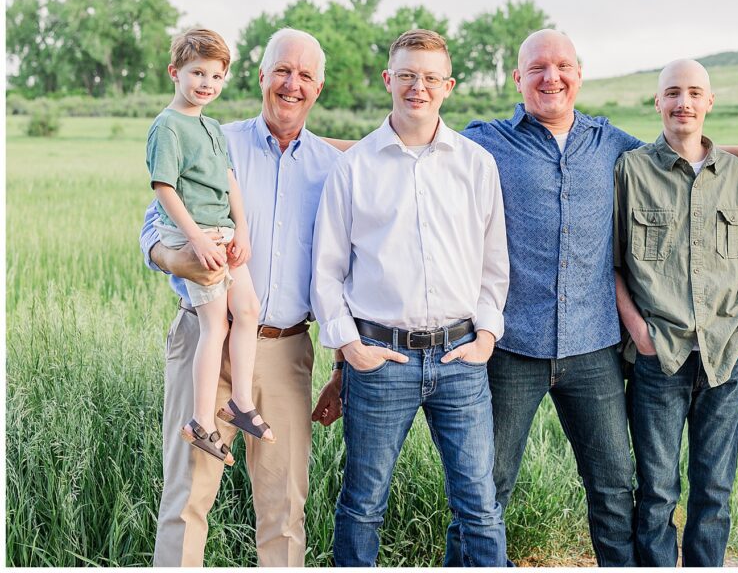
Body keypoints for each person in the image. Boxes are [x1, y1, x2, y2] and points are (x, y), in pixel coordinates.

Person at [141, 28, 349, 566]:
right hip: (207, 336)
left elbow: (349, 268)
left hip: (285, 351)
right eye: (282, 70)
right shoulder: (214, 138)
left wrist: (343, 361)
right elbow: (153, 224)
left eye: (305, 75)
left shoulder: (332, 166)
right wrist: (175, 257)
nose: (292, 84)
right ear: (261, 77)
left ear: (318, 89)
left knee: (284, 510)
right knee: (187, 499)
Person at [311, 29, 509, 566]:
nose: (417, 87)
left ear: (448, 85)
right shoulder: (353, 167)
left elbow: (494, 265)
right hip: (380, 360)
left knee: (480, 506)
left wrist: (487, 336)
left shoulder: (475, 164)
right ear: (388, 80)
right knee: (363, 505)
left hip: (460, 356)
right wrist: (351, 350)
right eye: (406, 76)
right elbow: (326, 272)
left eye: (428, 78)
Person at [447, 29, 643, 566]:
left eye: (562, 67)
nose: (550, 77)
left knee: (612, 487)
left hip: (594, 347)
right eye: (537, 68)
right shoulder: (484, 141)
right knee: (485, 488)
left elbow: (679, 160)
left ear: (579, 74)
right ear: (518, 78)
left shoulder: (613, 144)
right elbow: (409, 150)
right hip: (510, 345)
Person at [613, 59, 738, 566]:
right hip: (659, 358)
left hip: (724, 355)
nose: (684, 103)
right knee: (656, 491)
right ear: (658, 102)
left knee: (715, 492)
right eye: (672, 93)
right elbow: (611, 264)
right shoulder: (630, 169)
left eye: (695, 93)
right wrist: (639, 330)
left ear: (710, 102)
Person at [147, 28, 271, 467]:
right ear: (174, 72)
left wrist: (243, 230)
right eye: (197, 73)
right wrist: (196, 239)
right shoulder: (168, 126)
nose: (206, 83)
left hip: (222, 231)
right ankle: (201, 420)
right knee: (214, 324)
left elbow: (230, 181)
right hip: (191, 233)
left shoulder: (213, 127)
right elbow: (164, 186)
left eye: (216, 76)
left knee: (249, 310)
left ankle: (239, 403)